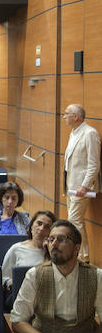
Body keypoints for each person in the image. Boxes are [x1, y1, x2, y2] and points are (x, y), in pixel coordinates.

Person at [63, 104, 101, 261]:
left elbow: (94, 164)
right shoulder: (74, 132)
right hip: (70, 185)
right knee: (74, 221)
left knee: (74, 220)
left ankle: (83, 257)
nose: (64, 116)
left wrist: (84, 186)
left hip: (82, 187)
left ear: (76, 116)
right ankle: (79, 254)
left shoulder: (90, 133)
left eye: (67, 114)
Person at [1, 210, 55, 287]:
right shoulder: (16, 249)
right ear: (31, 226)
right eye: (39, 224)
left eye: (47, 227)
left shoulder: (54, 252)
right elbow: (3, 277)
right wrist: (12, 283)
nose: (41, 229)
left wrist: (49, 250)